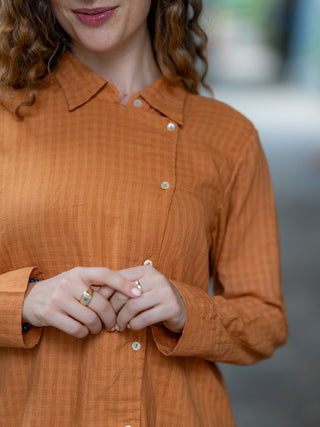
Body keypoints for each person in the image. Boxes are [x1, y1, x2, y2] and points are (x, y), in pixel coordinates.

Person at [0, 0, 288, 426]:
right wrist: (22, 301)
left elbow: (266, 322)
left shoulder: (229, 138)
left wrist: (186, 309)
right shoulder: (6, 118)